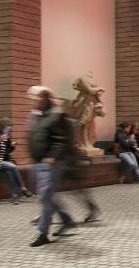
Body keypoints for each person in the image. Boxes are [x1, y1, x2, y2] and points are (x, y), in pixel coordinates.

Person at [27, 85, 80, 247]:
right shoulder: (35, 115)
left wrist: (51, 157)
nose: (31, 100)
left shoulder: (57, 115)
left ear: (44, 98)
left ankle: (43, 233)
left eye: (35, 97)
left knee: (45, 197)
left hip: (51, 163)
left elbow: (61, 139)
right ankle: (67, 219)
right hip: (37, 162)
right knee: (46, 196)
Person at [0, 118, 35, 203]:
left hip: (1, 162)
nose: (9, 129)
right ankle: (23, 188)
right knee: (12, 166)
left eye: (10, 127)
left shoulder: (5, 136)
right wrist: (0, 141)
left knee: (9, 172)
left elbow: (5, 153)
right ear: (2, 126)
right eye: (8, 127)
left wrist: (11, 146)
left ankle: (15, 197)